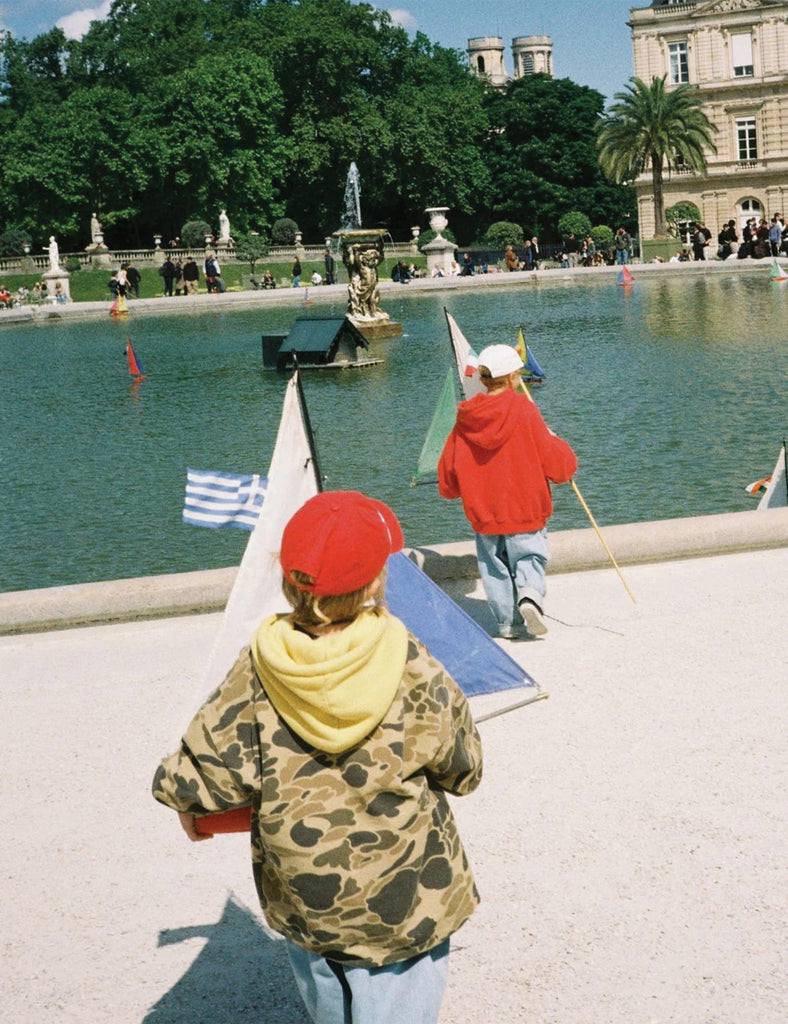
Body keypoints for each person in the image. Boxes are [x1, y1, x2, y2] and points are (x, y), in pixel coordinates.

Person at [153, 490, 482, 1024]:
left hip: (307, 892)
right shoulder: (411, 662)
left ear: (289, 579)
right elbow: (465, 769)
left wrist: (191, 808)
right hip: (406, 889)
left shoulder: (260, 666)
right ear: (377, 581)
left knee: (328, 995)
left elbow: (193, 780)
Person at [438, 344, 577, 640]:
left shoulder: (465, 420)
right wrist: (563, 452)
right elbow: (555, 463)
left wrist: (452, 488)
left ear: (483, 380)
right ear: (514, 377)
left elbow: (448, 471)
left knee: (495, 569)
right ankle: (529, 596)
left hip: (485, 514)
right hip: (525, 508)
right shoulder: (525, 411)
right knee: (530, 557)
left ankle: (508, 623)